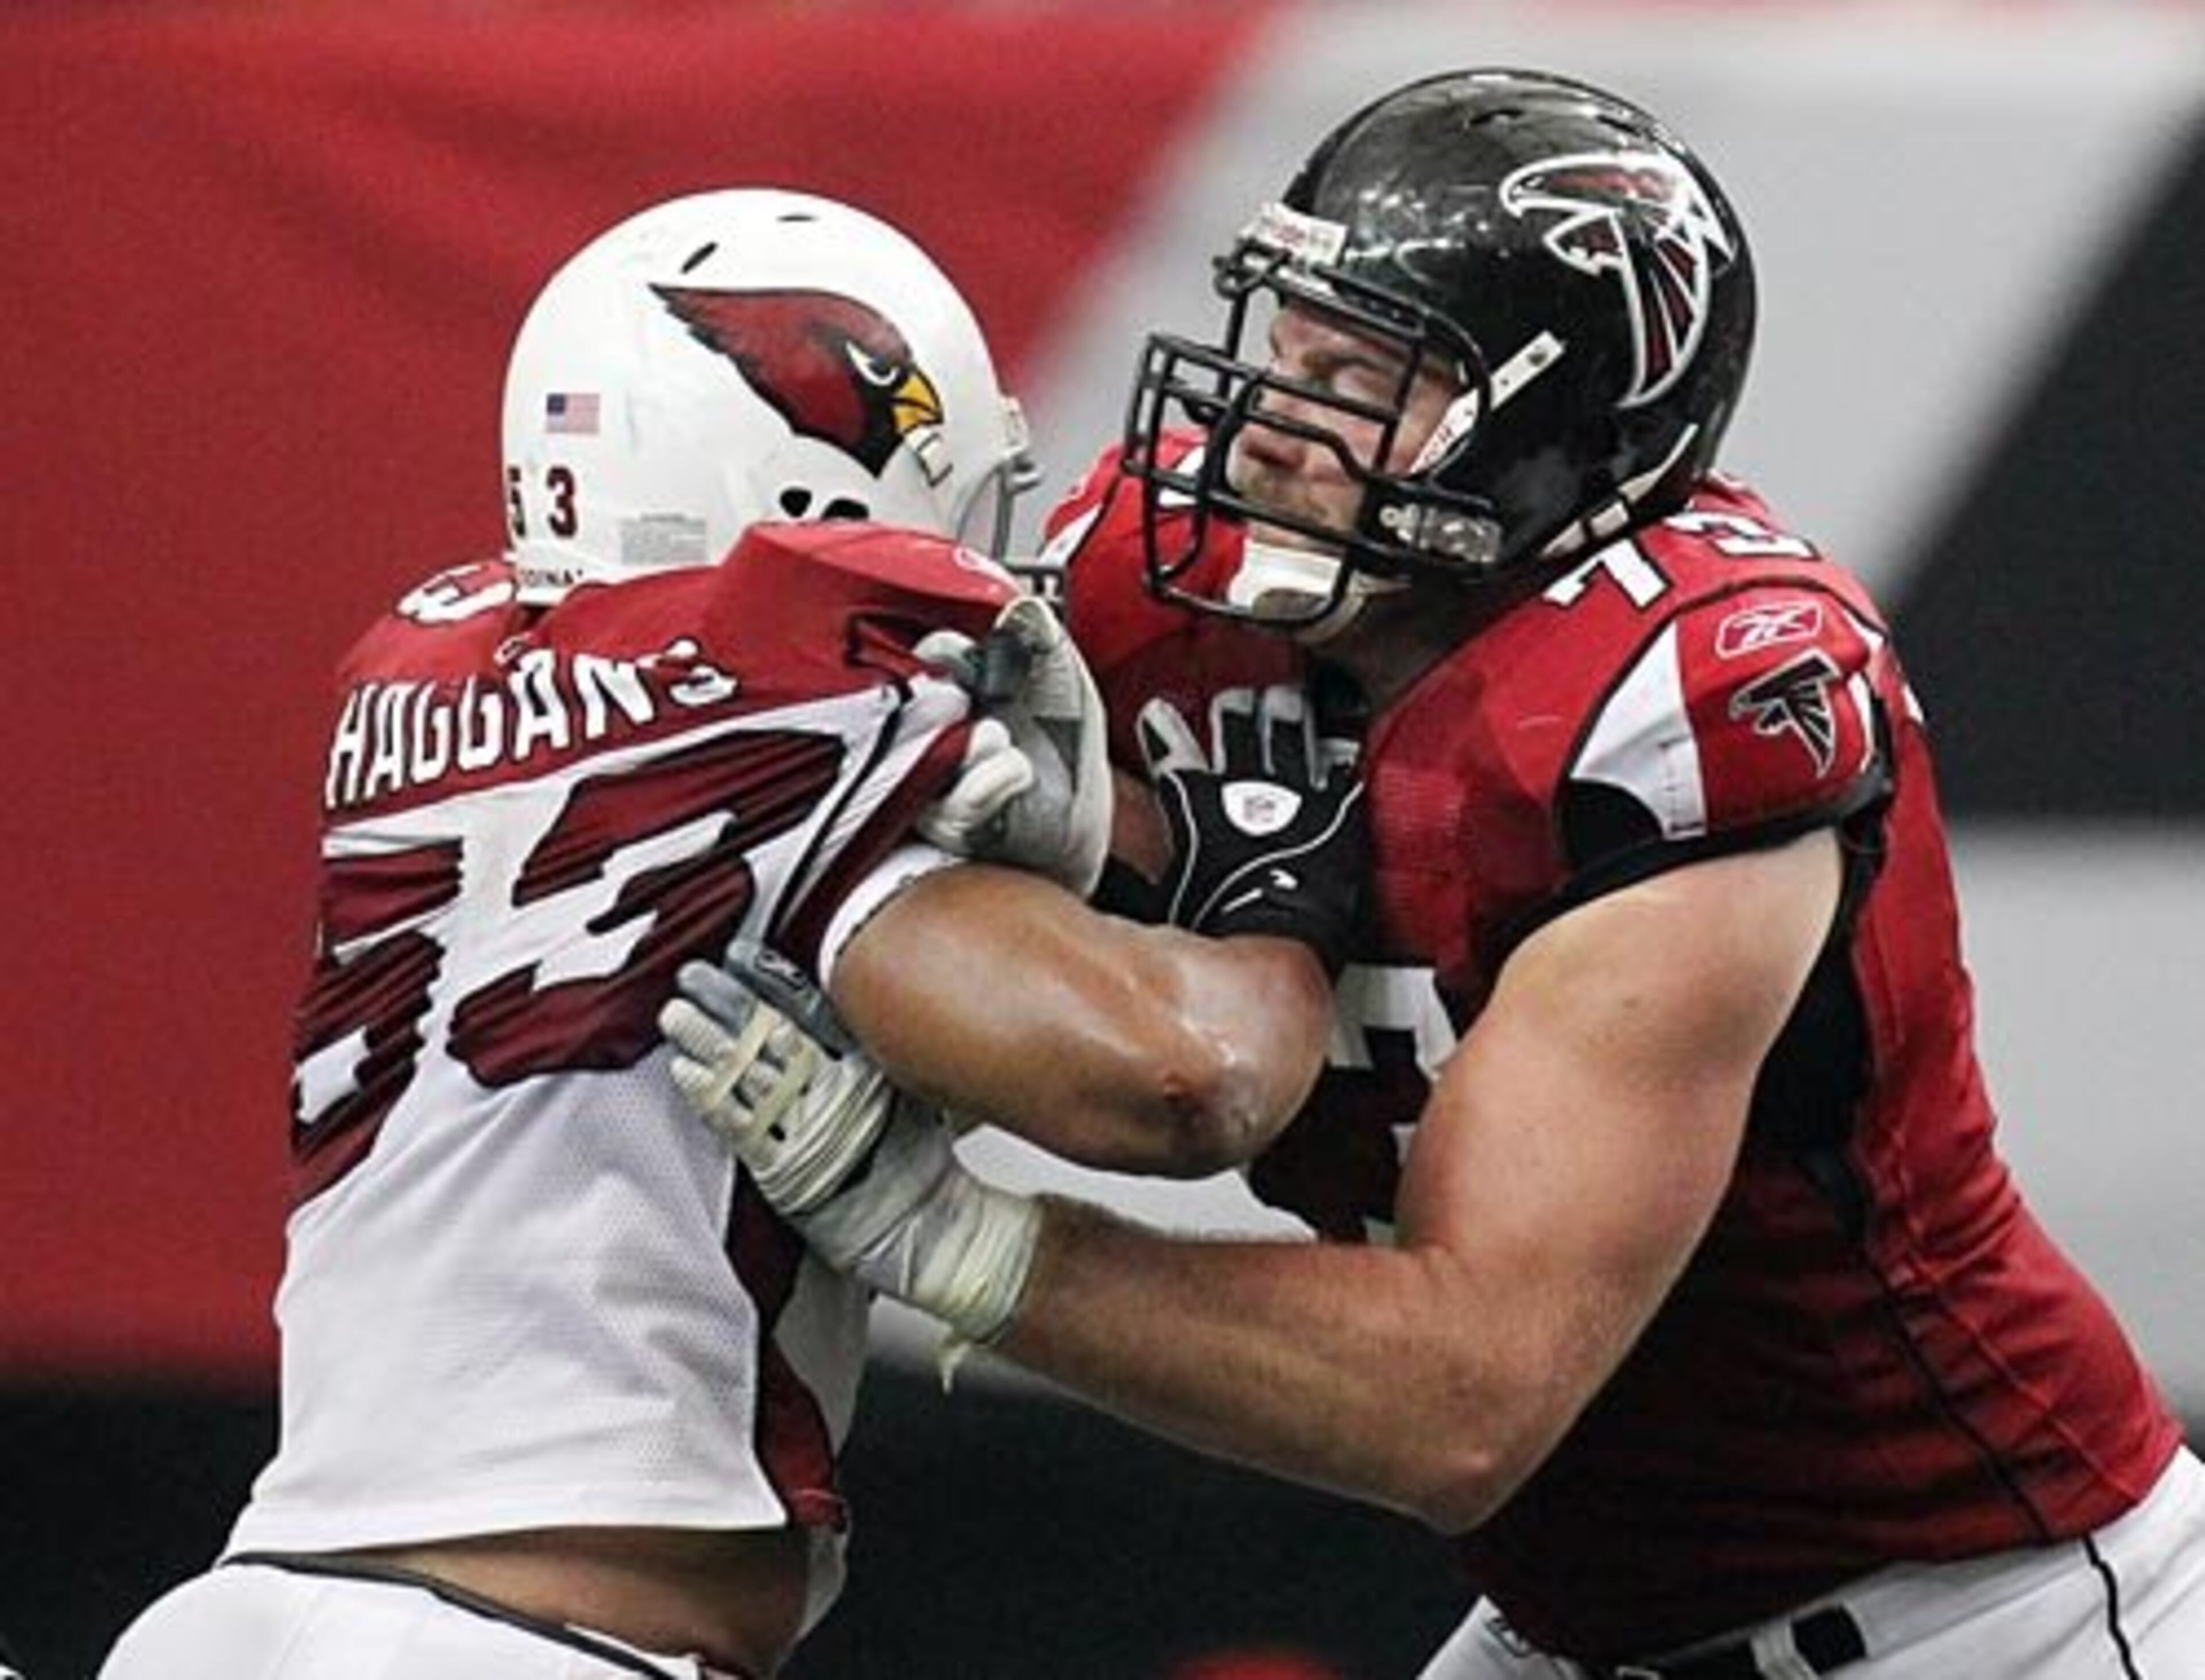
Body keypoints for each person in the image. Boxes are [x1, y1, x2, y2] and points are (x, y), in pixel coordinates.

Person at [660, 69, 2205, 1679]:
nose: (1270, 426)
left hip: (1985, 1618)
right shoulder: (1172, 597)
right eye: (1285, 351)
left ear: (1558, 432)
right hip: (1578, 1625)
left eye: (1360, 381)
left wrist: (955, 1238)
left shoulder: (1677, 712)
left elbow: (1469, 1403)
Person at [94, 187, 1359, 1680]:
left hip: (243, 1611)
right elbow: (1183, 1077)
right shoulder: (813, 704)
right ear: (822, 497)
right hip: (538, 1648)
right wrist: (1283, 887)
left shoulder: (434, 664)